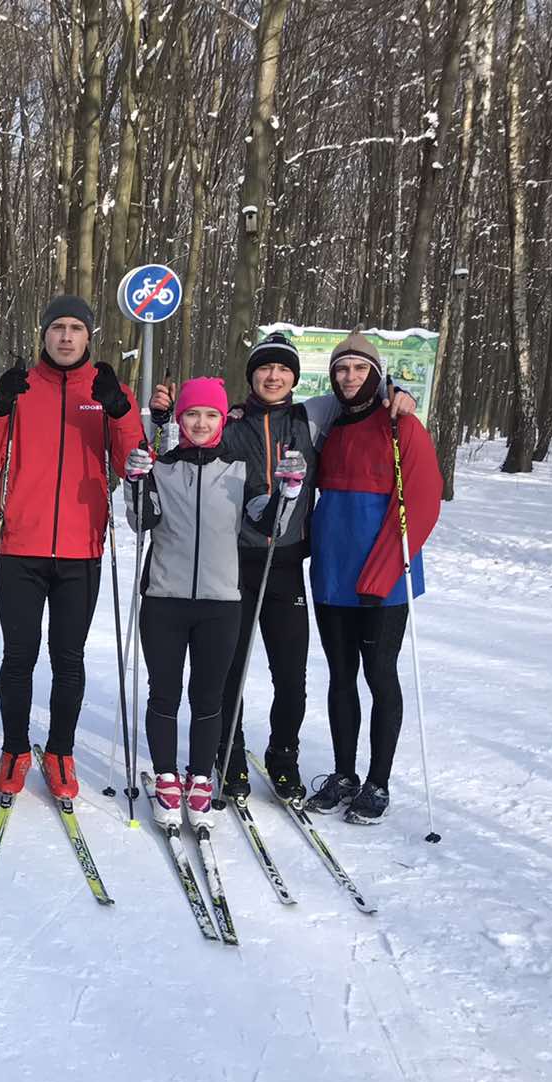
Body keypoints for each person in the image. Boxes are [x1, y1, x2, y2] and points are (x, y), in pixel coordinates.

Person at [149, 331, 417, 803]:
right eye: (264, 368)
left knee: (290, 674)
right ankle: (228, 754)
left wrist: (398, 390)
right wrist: (160, 420)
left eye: (282, 369)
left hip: (287, 562)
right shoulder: (230, 424)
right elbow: (187, 445)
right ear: (251, 375)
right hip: (233, 563)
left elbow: (360, 390)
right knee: (228, 670)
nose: (273, 376)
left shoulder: (312, 416)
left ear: (293, 377)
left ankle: (283, 755)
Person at [0, 294, 143, 801]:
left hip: (81, 549)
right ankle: (15, 748)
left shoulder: (108, 391)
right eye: (57, 327)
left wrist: (119, 411)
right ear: (43, 334)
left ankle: (60, 751)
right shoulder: (19, 388)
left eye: (76, 328)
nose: (66, 336)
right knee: (18, 656)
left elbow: (133, 465)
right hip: (20, 547)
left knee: (69, 659)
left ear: (89, 336)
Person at [123, 379, 303, 829]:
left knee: (209, 696)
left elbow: (268, 523)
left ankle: (201, 776)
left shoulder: (240, 470)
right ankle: (167, 776)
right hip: (164, 599)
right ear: (179, 418)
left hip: (221, 602)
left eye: (210, 415)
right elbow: (143, 520)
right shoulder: (162, 467)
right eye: (191, 414)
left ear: (222, 420)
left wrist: (289, 490)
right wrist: (135, 481)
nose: (200, 423)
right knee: (164, 692)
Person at [302, 332, 441, 823]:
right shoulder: (330, 425)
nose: (349, 377)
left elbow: (421, 503)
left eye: (360, 368)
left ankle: (378, 781)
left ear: (377, 374)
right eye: (342, 369)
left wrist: (381, 575)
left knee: (380, 676)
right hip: (333, 574)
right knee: (340, 677)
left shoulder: (402, 424)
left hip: (384, 577)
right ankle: (344, 774)